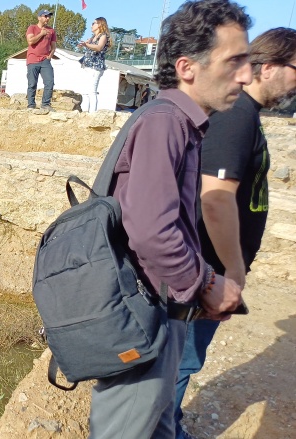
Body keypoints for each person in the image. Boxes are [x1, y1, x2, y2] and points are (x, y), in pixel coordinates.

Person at [88, 1, 251, 437]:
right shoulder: (166, 124)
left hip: (161, 312)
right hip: (145, 321)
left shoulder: (181, 124)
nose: (246, 75)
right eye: (234, 61)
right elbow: (153, 231)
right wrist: (207, 285)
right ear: (187, 67)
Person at [174, 26, 296, 439]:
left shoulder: (245, 114)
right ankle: (161, 429)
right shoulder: (237, 116)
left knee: (184, 358)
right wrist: (232, 271)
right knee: (182, 360)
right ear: (270, 66)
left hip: (212, 267)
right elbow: (215, 199)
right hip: (208, 270)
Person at [25, 10, 57, 111]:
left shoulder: (51, 31)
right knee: (32, 83)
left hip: (45, 60)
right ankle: (31, 104)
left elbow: (53, 45)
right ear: (39, 17)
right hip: (33, 59)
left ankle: (45, 104)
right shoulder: (32, 28)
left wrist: (50, 55)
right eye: (45, 16)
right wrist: (41, 34)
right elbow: (30, 41)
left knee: (49, 82)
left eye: (49, 17)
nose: (48, 18)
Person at [78, 17, 111, 112]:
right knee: (85, 91)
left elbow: (99, 47)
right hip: (88, 65)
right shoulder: (92, 37)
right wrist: (84, 44)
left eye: (94, 23)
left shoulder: (103, 36)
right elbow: (89, 45)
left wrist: (86, 45)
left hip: (95, 66)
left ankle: (92, 113)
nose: (91, 25)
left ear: (100, 24)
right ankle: (85, 111)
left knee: (92, 91)